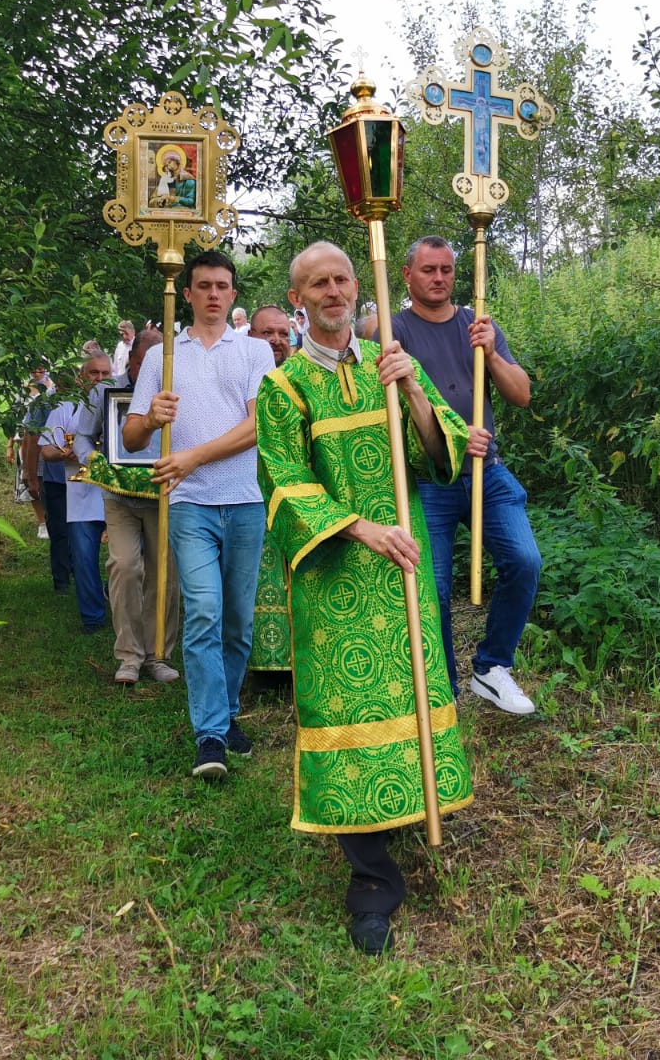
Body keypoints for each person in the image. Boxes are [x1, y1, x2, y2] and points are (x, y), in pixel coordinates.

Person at [256, 240, 478, 956]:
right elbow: (283, 482)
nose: (333, 292)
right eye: (317, 283)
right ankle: (373, 881)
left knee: (411, 695)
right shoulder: (285, 387)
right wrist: (360, 528)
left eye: (342, 279)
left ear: (358, 287)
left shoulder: (390, 362)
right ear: (298, 299)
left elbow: (439, 456)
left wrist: (412, 390)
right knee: (349, 714)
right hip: (337, 580)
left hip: (402, 569)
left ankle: (410, 809)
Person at [125, 250, 273, 779]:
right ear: (186, 294)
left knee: (237, 620)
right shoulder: (164, 356)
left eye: (222, 286)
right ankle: (210, 734)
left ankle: (228, 712)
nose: (213, 294)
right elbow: (131, 435)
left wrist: (192, 457)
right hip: (189, 504)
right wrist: (151, 420)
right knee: (205, 611)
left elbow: (257, 426)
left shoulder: (255, 351)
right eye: (204, 285)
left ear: (233, 294)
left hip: (245, 500)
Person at [391, 236, 541, 716]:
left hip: (486, 472)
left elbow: (522, 395)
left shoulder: (478, 325)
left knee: (524, 560)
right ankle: (443, 693)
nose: (439, 278)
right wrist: (455, 436)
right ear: (407, 275)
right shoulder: (393, 331)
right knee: (432, 588)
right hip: (429, 480)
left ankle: (492, 667)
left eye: (447, 269)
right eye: (429, 270)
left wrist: (491, 353)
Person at [82, 328, 181, 683]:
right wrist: (95, 461)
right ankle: (128, 656)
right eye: (142, 364)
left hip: (163, 495)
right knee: (124, 567)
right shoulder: (105, 391)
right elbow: (83, 436)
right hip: (119, 497)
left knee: (164, 573)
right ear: (132, 359)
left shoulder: (177, 390)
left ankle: (158, 656)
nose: (148, 371)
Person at [44, 353, 112, 633]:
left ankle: (114, 593)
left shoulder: (122, 404)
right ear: (82, 378)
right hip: (80, 494)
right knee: (84, 559)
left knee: (134, 556)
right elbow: (46, 450)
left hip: (117, 493)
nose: (100, 379)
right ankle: (93, 618)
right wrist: (64, 453)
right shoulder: (64, 408)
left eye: (105, 373)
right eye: (94, 373)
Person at [248, 306, 294, 673]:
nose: (277, 341)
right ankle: (258, 660)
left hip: (295, 492)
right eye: (268, 333)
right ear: (251, 337)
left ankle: (296, 659)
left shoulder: (301, 376)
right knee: (256, 575)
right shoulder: (242, 373)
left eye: (283, 334)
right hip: (250, 490)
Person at [21, 364, 71, 589]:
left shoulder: (84, 400)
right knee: (58, 526)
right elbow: (31, 438)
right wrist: (30, 474)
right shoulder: (43, 403)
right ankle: (61, 580)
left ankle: (75, 567)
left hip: (78, 476)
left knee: (76, 526)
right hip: (53, 474)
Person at [15, 363, 55, 540]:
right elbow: (18, 420)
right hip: (29, 442)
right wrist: (11, 444)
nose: (38, 373)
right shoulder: (24, 391)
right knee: (35, 482)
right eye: (34, 369)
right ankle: (43, 522)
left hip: (50, 447)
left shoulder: (52, 389)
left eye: (41, 369)